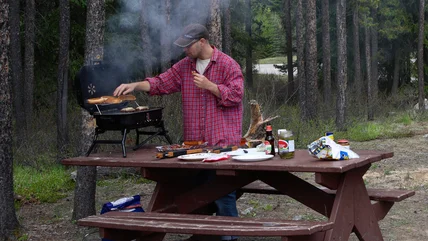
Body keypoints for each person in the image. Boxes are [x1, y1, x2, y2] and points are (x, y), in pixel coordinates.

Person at [114, 23, 244, 241]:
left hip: (221, 144)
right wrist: (135, 85)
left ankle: (230, 238)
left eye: (188, 45)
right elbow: (161, 83)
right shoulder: (185, 67)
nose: (185, 50)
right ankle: (204, 235)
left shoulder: (228, 64)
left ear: (202, 42)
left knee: (223, 195)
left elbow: (236, 95)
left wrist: (211, 86)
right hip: (194, 146)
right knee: (196, 193)